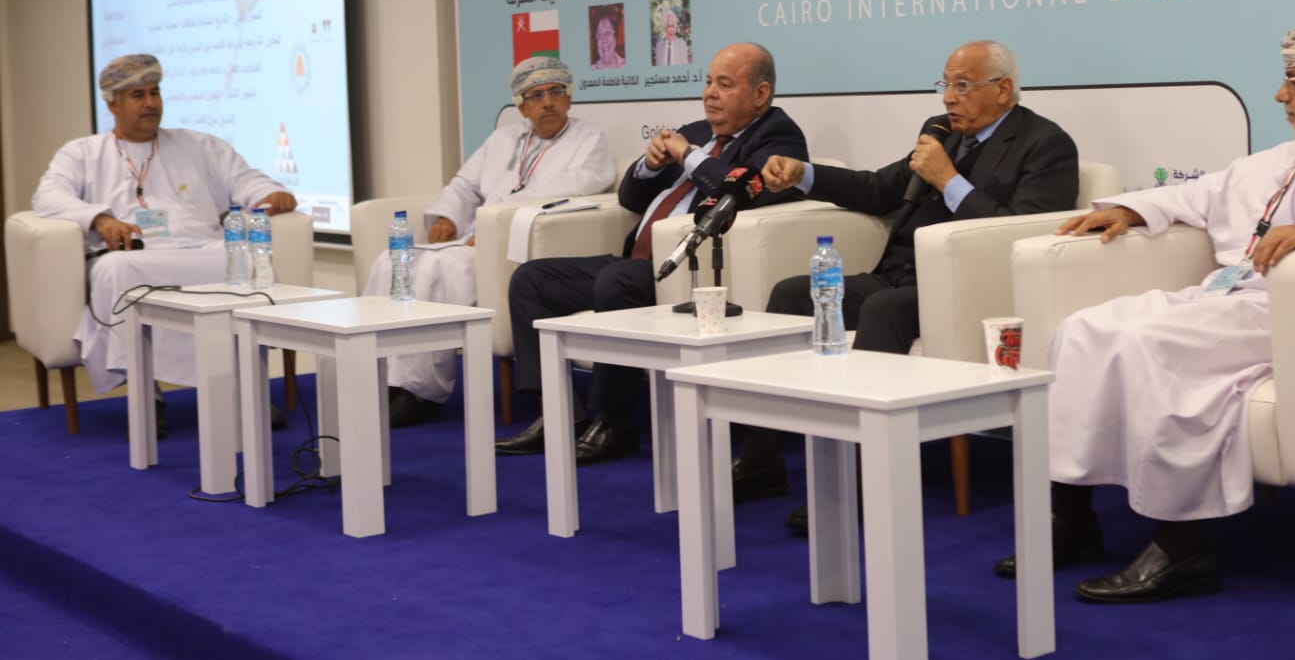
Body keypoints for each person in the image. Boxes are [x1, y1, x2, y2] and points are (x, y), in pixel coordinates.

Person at [992, 26, 1295, 602]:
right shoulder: (1279, 159)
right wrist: (1130, 211)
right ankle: (1072, 518)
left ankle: (1182, 549)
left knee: (1152, 342)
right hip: (1225, 297)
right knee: (1081, 330)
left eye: (1294, 82)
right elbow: (1194, 195)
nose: (1281, 95)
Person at [738, 40, 1079, 522]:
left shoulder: (1046, 145)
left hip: (966, 294)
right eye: (946, 85)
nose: (948, 98)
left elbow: (1020, 232)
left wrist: (949, 181)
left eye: (963, 86)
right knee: (793, 293)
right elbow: (879, 189)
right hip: (896, 277)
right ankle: (762, 460)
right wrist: (804, 174)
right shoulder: (944, 133)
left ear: (1003, 90)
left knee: (883, 310)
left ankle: (861, 484)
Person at [495, 42, 808, 460]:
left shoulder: (779, 137)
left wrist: (688, 156)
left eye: (724, 84)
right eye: (708, 82)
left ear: (760, 93)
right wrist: (650, 166)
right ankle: (557, 412)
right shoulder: (697, 131)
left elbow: (740, 192)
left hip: (691, 271)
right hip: (636, 262)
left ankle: (612, 420)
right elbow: (630, 198)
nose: (710, 93)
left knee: (616, 282)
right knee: (531, 280)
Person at [31, 54, 298, 437]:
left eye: (154, 93)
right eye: (137, 95)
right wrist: (100, 219)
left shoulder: (199, 145)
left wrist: (270, 193)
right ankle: (146, 395)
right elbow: (48, 197)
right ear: (112, 104)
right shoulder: (82, 153)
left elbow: (249, 181)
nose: (150, 103)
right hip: (131, 256)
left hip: (202, 250)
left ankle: (243, 388)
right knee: (116, 271)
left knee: (244, 265)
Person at [364, 57, 613, 426]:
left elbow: (579, 185)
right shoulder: (503, 139)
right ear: (521, 106)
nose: (547, 102)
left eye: (556, 92)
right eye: (536, 95)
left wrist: (498, 222)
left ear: (569, 98)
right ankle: (384, 381)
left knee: (436, 268)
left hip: (516, 244)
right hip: (474, 237)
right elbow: (465, 184)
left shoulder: (588, 139)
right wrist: (447, 216)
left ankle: (420, 391)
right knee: (392, 260)